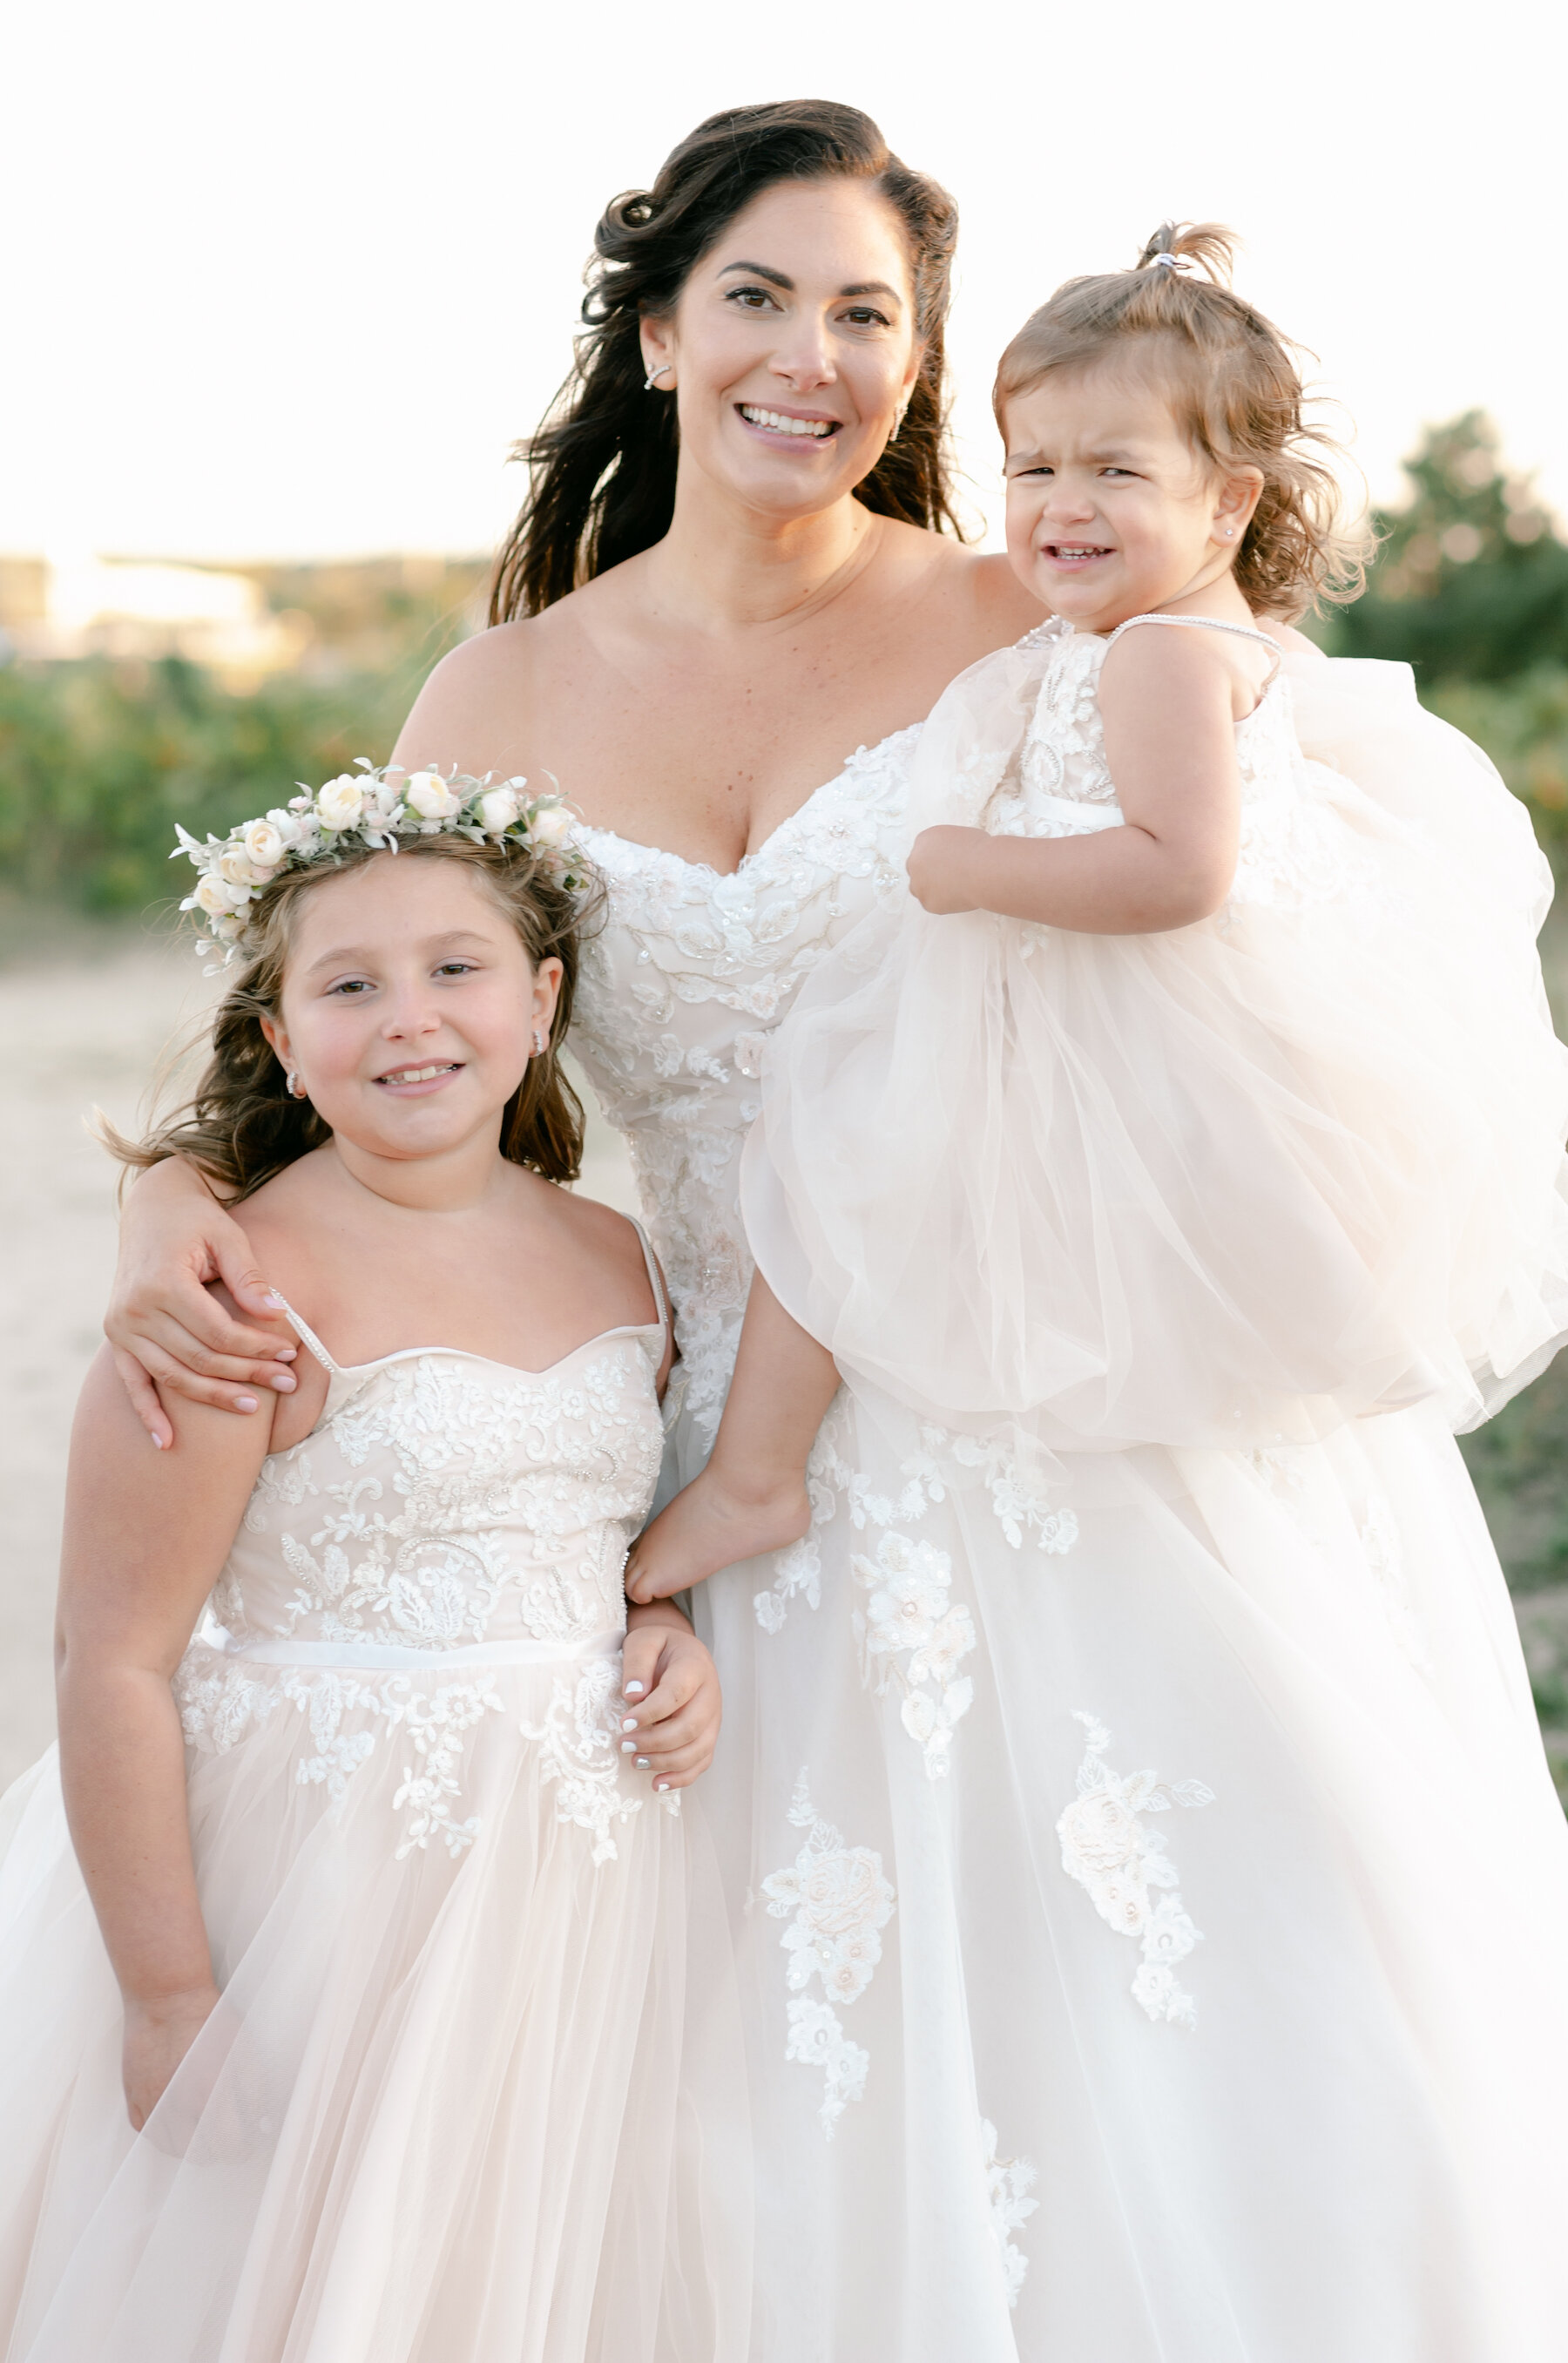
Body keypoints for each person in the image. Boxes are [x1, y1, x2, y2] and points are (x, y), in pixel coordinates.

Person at [625, 227, 1568, 2357]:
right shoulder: (1074, 634)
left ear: (1226, 500)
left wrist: (951, 877)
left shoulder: (1124, 651)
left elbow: (1184, 872)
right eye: (1030, 464)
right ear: (663, 330)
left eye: (1107, 474)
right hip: (965, 1211)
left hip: (1041, 1241)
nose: (1053, 507)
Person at [0, 778, 748, 2363]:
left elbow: (602, 1536)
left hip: (577, 1874)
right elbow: (115, 1656)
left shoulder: (617, 1253)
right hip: (325, 1878)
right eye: (348, 985)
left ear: (543, 998)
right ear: (283, 1039)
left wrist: (667, 1631)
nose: (407, 1018)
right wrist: (166, 1993)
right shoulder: (235, 1294)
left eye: (455, 969)